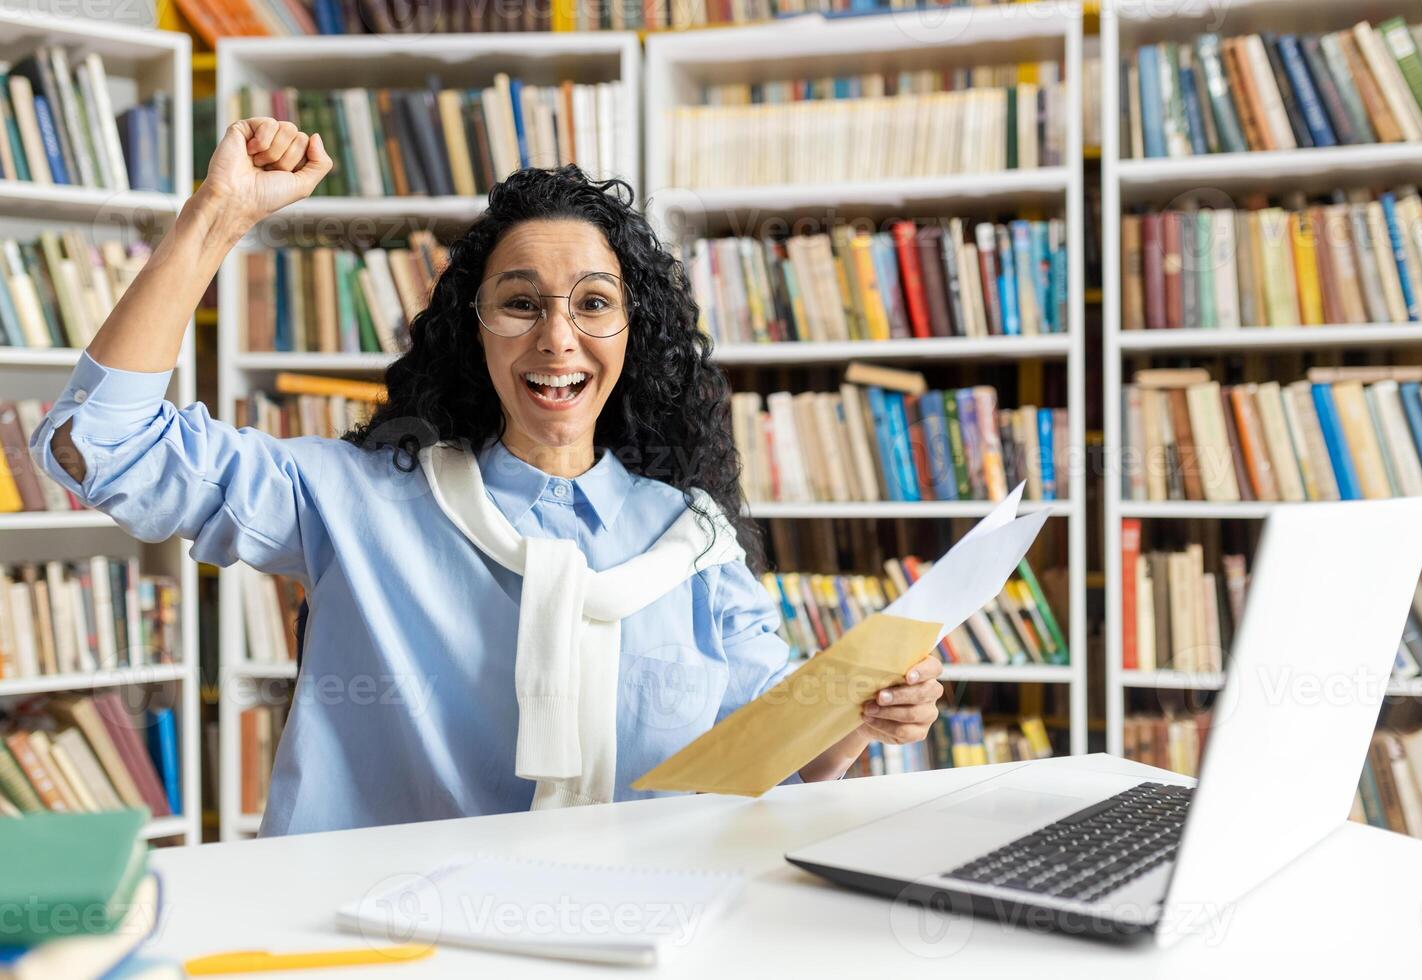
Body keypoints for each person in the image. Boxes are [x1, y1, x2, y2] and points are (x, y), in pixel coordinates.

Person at [29, 117, 943, 835]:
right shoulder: (357, 498)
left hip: (639, 930)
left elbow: (780, 756)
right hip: (388, 944)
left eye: (592, 303)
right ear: (477, 329)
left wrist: (867, 713)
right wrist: (218, 218)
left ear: (633, 333)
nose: (556, 339)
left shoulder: (690, 539)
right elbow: (103, 447)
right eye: (520, 304)